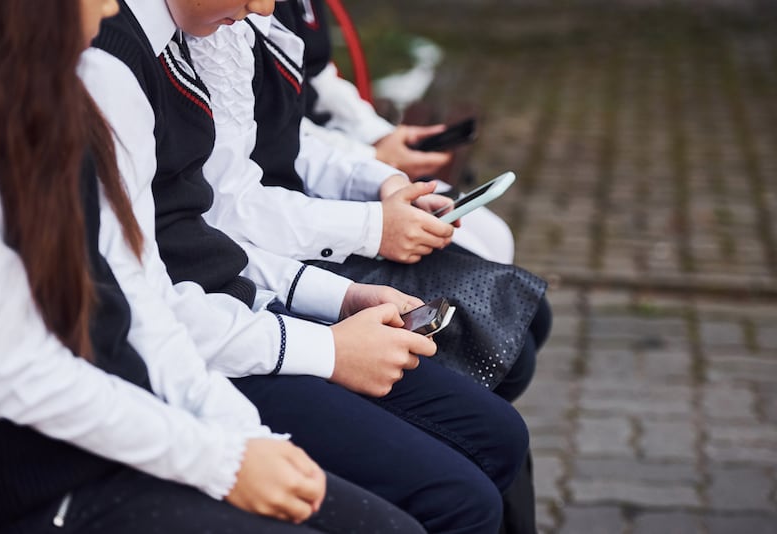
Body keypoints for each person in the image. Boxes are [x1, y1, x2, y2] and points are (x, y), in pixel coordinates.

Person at [0, 1, 427, 533]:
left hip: (143, 401)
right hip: (40, 476)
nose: (112, 2)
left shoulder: (66, 87)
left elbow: (142, 293)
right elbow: (13, 370)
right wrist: (222, 459)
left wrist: (243, 437)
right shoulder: (105, 71)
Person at [81, 0, 531, 531]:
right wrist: (321, 349)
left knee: (499, 430)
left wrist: (338, 299)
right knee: (458, 495)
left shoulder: (185, 31)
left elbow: (216, 221)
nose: (265, 8)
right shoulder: (107, 66)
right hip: (205, 345)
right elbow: (155, 290)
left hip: (236, 312)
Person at [188, 10, 549, 401]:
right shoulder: (206, 27)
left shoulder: (232, 21)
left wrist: (382, 174)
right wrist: (372, 227)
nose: (262, 6)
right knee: (505, 351)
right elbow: (230, 206)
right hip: (270, 250)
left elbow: (293, 124)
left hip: (285, 234)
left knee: (522, 310)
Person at [292, 0, 517, 265]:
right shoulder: (246, 18)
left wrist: (380, 139)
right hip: (300, 194)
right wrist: (373, 158)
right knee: (482, 263)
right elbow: (274, 132)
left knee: (496, 238)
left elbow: (317, 74)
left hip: (335, 161)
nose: (261, 8)